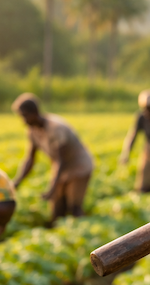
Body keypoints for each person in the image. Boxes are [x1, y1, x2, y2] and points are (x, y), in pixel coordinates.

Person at [11, 93, 94, 226]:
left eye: (25, 116)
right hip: (61, 168)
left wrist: (52, 187)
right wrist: (17, 182)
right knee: (57, 209)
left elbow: (62, 160)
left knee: (74, 207)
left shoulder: (56, 128)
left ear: (34, 112)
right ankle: (61, 235)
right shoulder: (32, 131)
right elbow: (30, 159)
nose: (23, 121)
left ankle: (83, 232)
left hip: (79, 166)